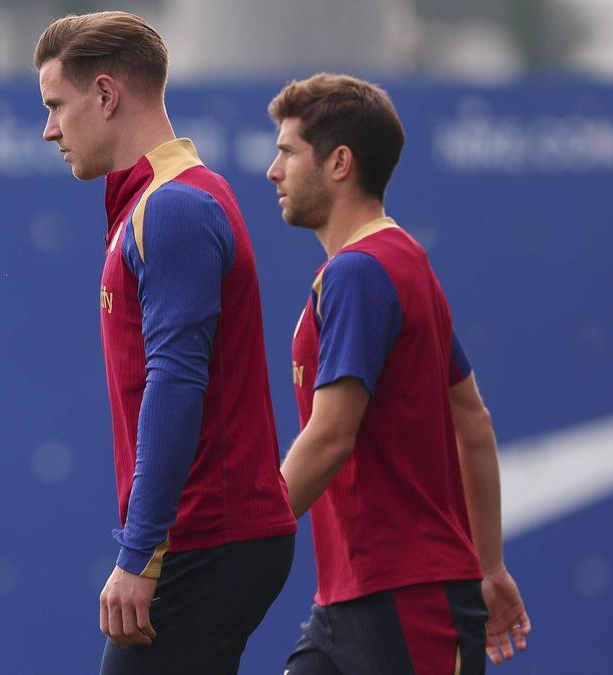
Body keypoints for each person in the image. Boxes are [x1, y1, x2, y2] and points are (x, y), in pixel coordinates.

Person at [35, 11, 297, 674]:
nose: (49, 130)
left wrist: (140, 552)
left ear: (105, 95)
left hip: (205, 538)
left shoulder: (174, 207)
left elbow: (176, 384)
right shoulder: (152, 205)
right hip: (208, 536)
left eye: (56, 106)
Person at [264, 73, 531, 674]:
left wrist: (253, 530)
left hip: (407, 601)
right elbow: (473, 420)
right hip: (351, 600)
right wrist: (487, 567)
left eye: (286, 153)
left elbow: (332, 434)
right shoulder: (403, 260)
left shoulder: (359, 272)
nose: (272, 172)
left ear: (339, 163)